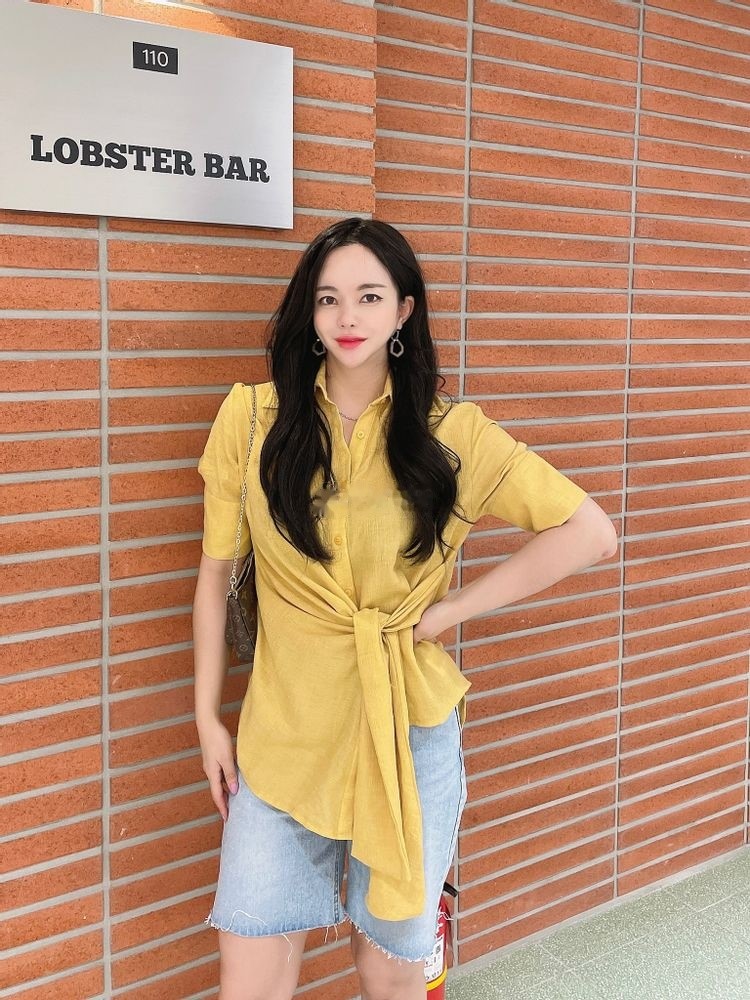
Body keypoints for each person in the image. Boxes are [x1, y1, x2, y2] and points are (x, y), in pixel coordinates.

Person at [192, 217, 618, 1000]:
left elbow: (589, 532)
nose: (346, 316)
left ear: (403, 312)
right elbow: (216, 573)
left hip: (408, 735)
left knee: (388, 973)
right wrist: (208, 720)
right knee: (249, 979)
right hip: (284, 735)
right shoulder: (252, 421)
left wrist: (445, 616)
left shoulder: (452, 434)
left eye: (368, 296)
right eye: (328, 299)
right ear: (309, 313)